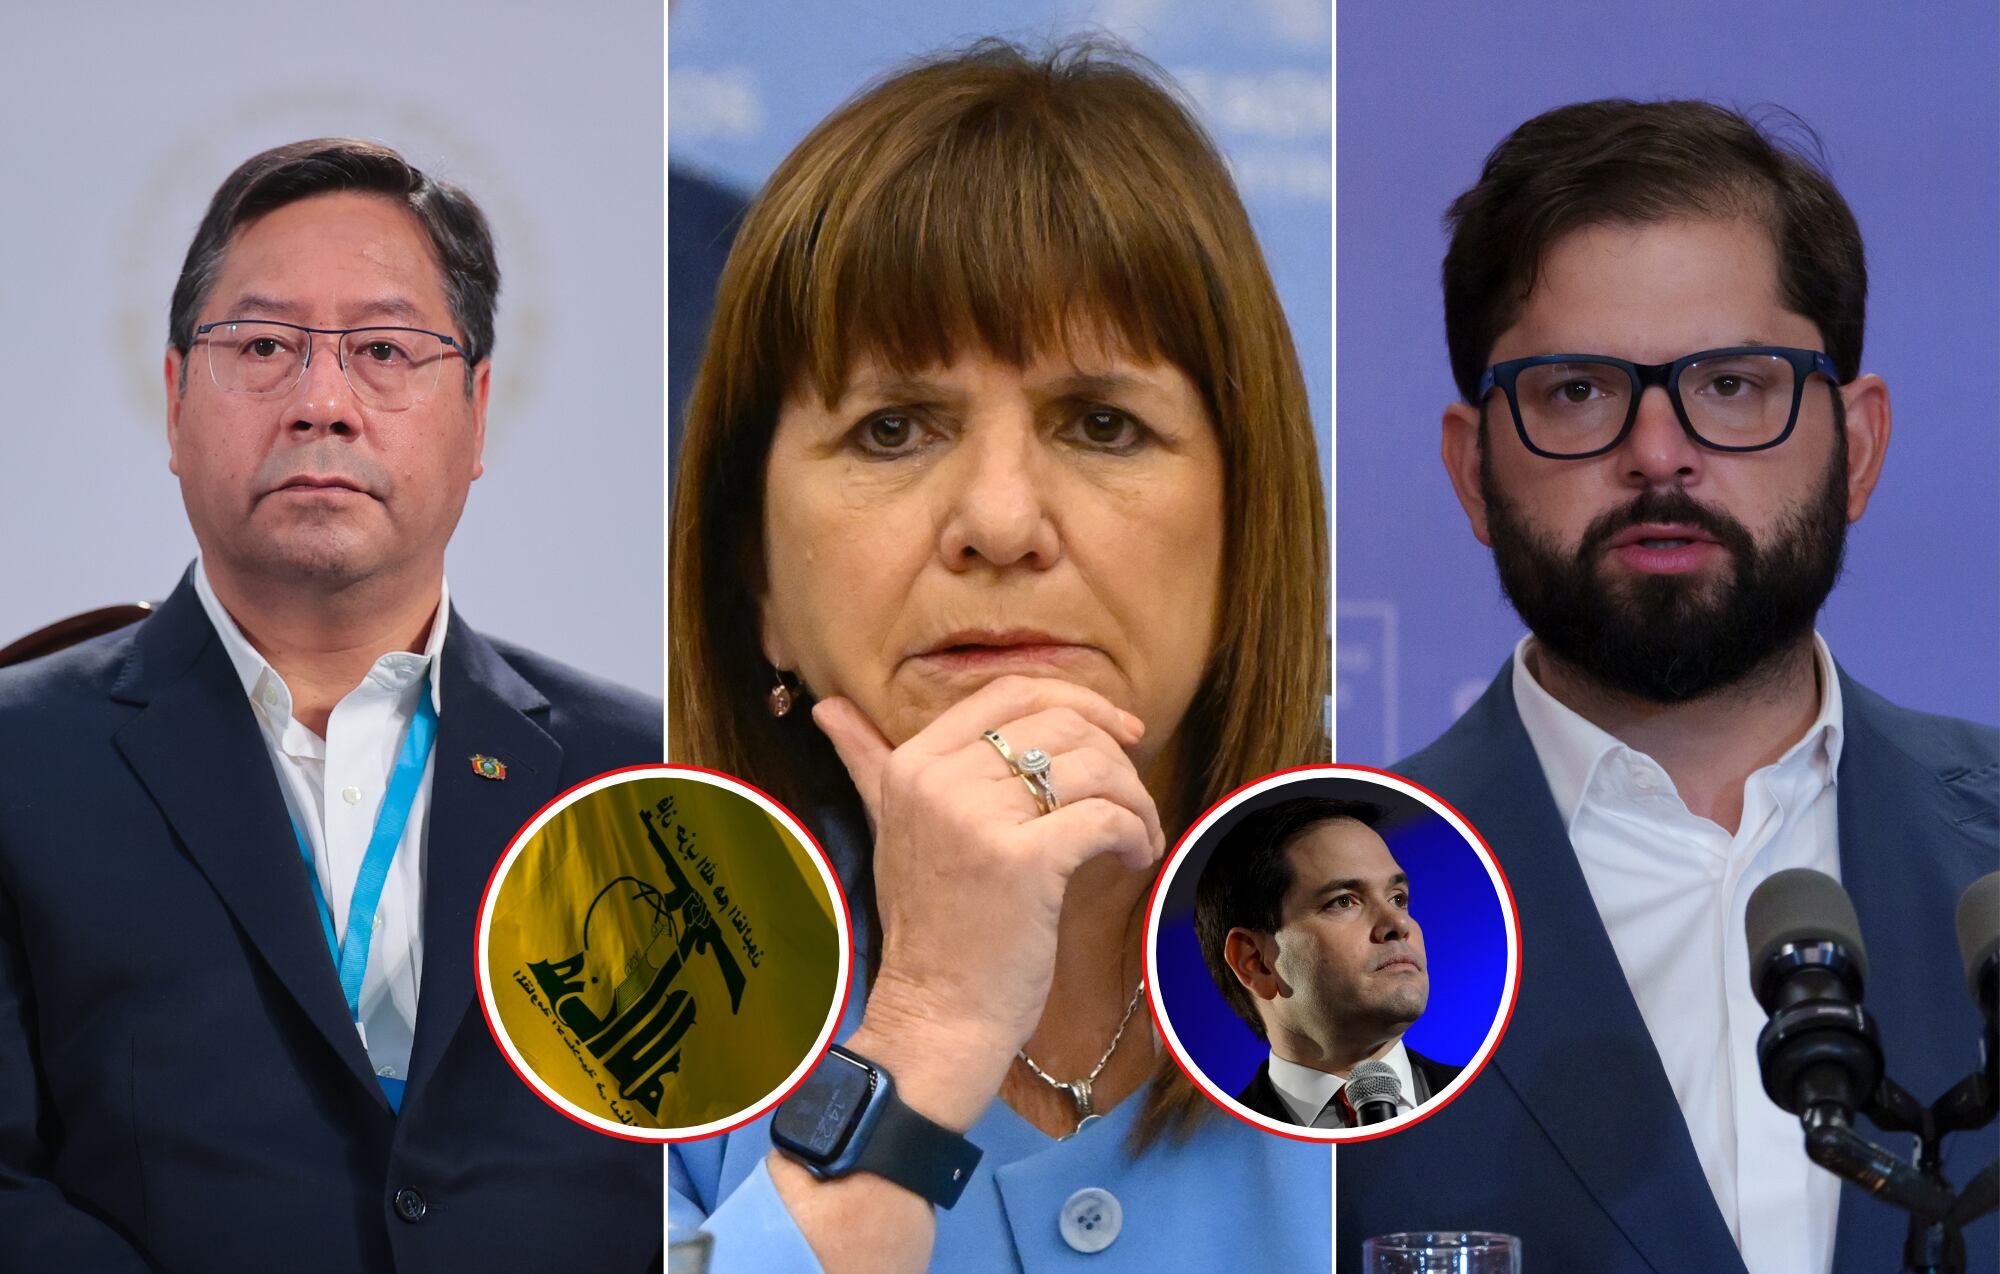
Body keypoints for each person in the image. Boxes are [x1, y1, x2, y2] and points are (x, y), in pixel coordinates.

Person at [669, 40, 1330, 1273]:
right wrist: (925, 1029)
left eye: (1100, 423)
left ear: (1249, 537)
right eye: (892, 427)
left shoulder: (1454, 968)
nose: (1001, 523)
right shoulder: (603, 1002)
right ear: (757, 580)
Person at [1337, 100, 1999, 1274]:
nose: (1656, 450)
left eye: (1733, 384)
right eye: (1577, 391)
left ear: (1857, 444)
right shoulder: (1307, 922)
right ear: (1470, 468)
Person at [0, 139, 661, 1271]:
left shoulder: (646, 769)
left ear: (476, 408)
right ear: (173, 400)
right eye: (262, 345)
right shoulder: (22, 757)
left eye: (385, 350)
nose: (322, 402)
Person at [1195, 797, 1459, 1128]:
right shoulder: (1213, 1156)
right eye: (1344, 901)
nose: (1398, 924)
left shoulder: (1502, 1105)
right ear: (1256, 961)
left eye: (1398, 899)